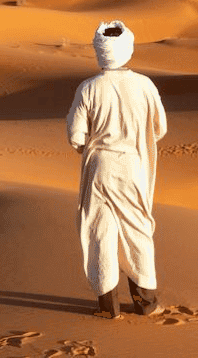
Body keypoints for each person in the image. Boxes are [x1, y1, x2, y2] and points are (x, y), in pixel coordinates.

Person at [66, 20, 167, 319]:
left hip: (99, 168)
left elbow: (75, 135)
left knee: (100, 232)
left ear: (100, 50)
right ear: (127, 48)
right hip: (133, 167)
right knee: (138, 231)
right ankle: (146, 304)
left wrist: (90, 147)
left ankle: (108, 307)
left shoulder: (88, 88)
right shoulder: (145, 85)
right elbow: (159, 127)